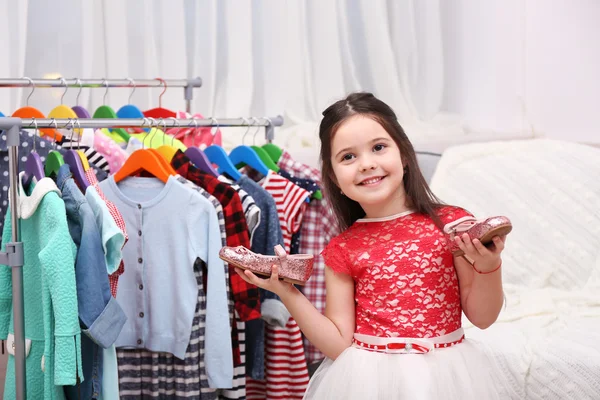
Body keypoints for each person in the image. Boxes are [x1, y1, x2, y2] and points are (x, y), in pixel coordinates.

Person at [235, 92, 510, 399]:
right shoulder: (343, 248)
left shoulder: (450, 225)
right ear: (334, 178)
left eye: (378, 147)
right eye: (348, 157)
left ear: (404, 154)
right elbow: (339, 344)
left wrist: (488, 266)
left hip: (445, 377)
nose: (366, 164)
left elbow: (483, 318)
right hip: (370, 383)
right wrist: (287, 292)